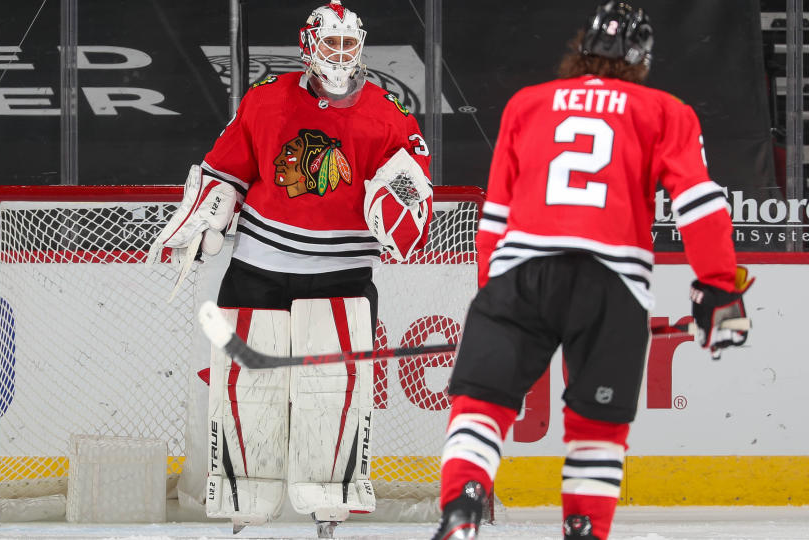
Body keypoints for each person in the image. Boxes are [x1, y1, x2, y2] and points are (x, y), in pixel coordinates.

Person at [430, 3, 754, 540]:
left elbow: (495, 219)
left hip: (521, 275)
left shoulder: (527, 104)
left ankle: (462, 507)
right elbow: (700, 206)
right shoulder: (665, 111)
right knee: (597, 428)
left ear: (583, 47)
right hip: (613, 283)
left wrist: (494, 301)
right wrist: (719, 287)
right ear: (642, 58)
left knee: (481, 404)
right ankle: (584, 528)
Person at [147, 1, 433, 537]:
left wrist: (407, 199)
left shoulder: (387, 113)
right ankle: (243, 496)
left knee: (334, 388)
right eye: (333, 44)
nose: (342, 56)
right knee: (247, 385)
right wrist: (215, 199)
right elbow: (226, 168)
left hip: (343, 275)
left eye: (350, 45)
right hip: (260, 265)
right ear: (309, 46)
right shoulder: (265, 101)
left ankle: (331, 495)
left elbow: (413, 177)